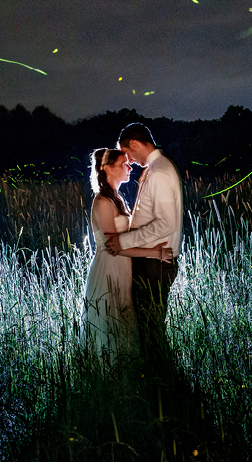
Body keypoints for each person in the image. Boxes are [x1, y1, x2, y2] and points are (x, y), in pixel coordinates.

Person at [79, 147, 173, 369]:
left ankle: (128, 372)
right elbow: (115, 247)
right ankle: (108, 375)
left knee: (124, 318)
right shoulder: (102, 202)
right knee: (111, 320)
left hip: (123, 269)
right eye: (124, 164)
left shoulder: (117, 199)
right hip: (110, 268)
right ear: (108, 169)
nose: (130, 167)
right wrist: (155, 253)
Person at [104, 123, 182, 366]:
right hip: (150, 261)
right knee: (148, 328)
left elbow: (165, 224)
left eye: (127, 153)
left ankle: (160, 382)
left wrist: (123, 240)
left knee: (150, 330)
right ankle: (157, 378)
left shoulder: (159, 171)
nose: (129, 160)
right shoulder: (155, 168)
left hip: (154, 265)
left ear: (135, 144)